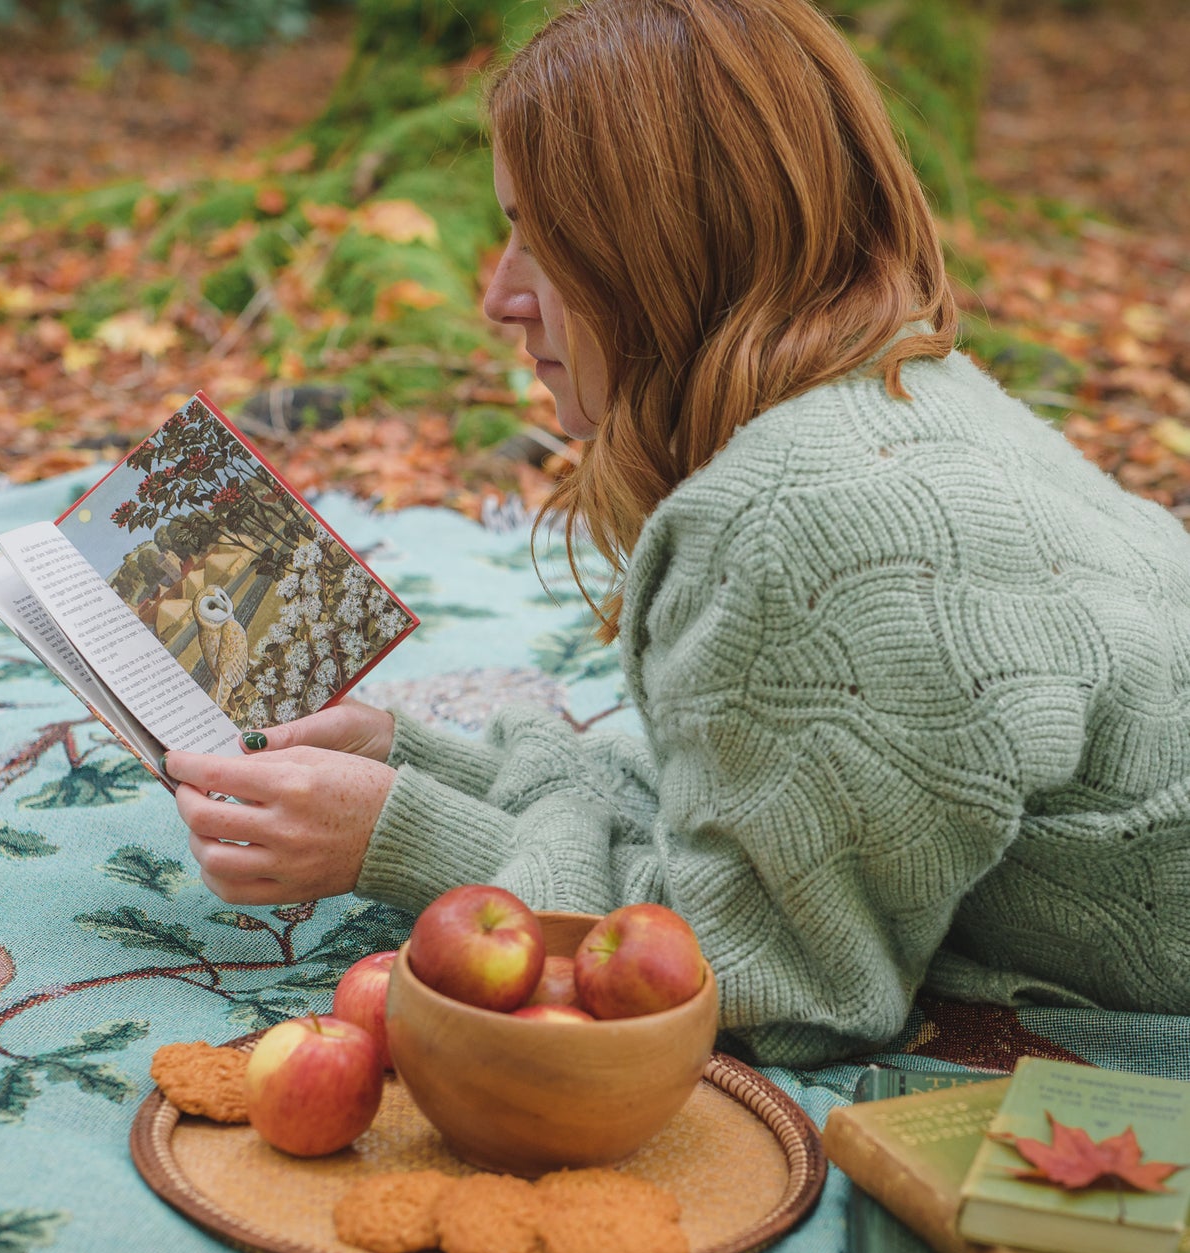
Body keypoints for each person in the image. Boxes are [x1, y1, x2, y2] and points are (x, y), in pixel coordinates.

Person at [165, 0, 1190, 1066]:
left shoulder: (814, 519)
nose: (498, 297)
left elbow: (775, 981)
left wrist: (398, 838)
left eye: (541, 238)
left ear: (660, 246)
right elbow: (759, 809)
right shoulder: (892, 389)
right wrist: (413, 759)